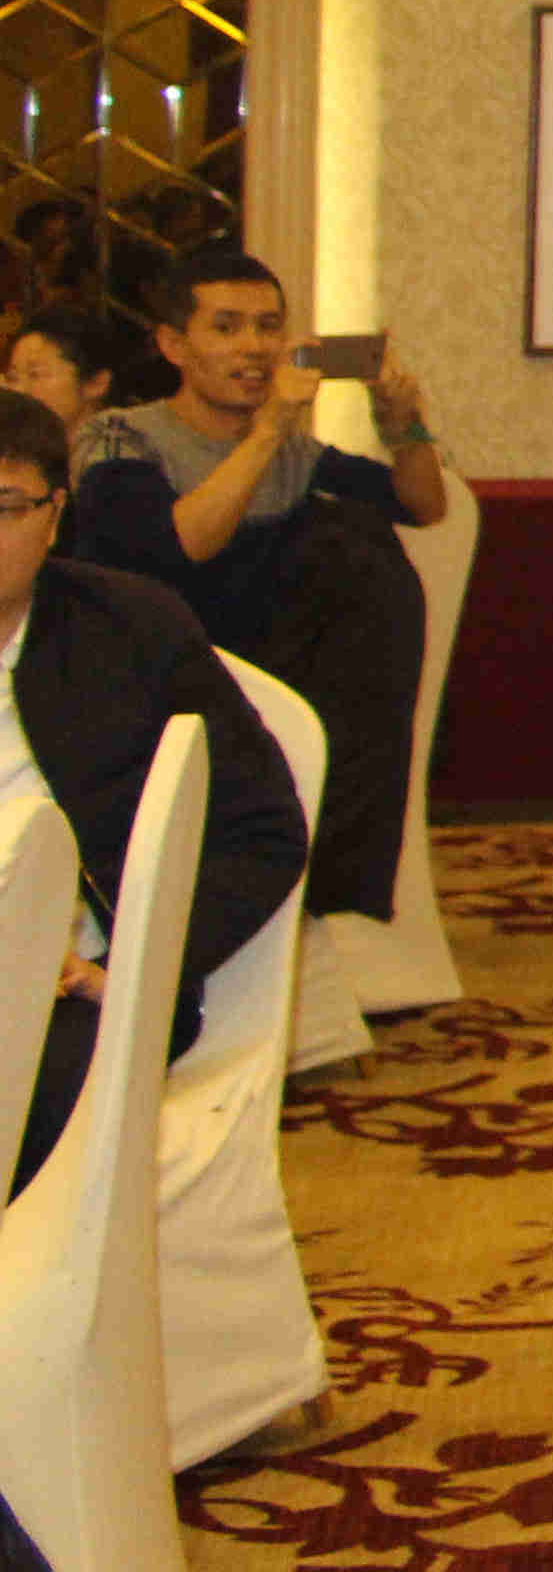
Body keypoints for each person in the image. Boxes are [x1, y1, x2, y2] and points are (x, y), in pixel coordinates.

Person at [60, 248, 442, 924]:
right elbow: (181, 546)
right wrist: (267, 431)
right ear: (174, 345)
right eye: (227, 327)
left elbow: (423, 506)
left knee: (359, 545)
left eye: (269, 327)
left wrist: (404, 425)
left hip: (284, 680)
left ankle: (329, 889)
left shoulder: (294, 453)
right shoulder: (119, 437)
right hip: (154, 683)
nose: (255, 348)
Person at [2, 389, 310, 1193]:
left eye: (5, 507)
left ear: (54, 515)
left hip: (74, 992)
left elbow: (264, 831)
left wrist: (137, 962)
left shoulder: (131, 629)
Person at [1, 297, 155, 432]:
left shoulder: (120, 451)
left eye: (35, 374)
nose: (18, 391)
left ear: (97, 383)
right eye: (12, 377)